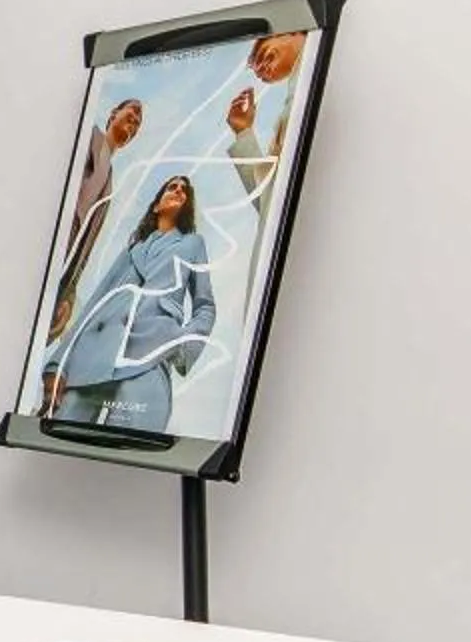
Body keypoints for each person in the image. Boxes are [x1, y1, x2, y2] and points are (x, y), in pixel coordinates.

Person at [51, 174, 216, 431]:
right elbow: (96, 302)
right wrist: (57, 364)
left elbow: (204, 305)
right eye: (172, 186)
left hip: (149, 352)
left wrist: (183, 346)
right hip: (92, 356)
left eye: (185, 191)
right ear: (156, 205)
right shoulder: (132, 248)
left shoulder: (192, 244)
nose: (179, 191)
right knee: (60, 438)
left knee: (133, 441)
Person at [39, 95, 142, 411]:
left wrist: (68, 293)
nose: (133, 122)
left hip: (65, 265)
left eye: (138, 123)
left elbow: (86, 245)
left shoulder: (109, 181)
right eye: (131, 114)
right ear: (113, 113)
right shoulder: (89, 139)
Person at [221, 31, 304, 235]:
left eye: (259, 55)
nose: (260, 69)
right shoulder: (293, 101)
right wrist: (243, 132)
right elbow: (271, 204)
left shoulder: (312, 82)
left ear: (289, 30)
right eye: (258, 73)